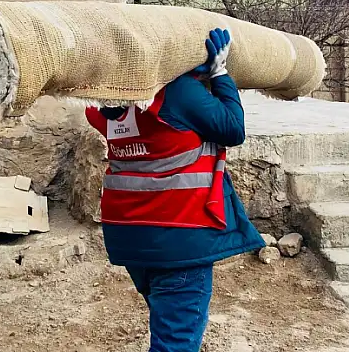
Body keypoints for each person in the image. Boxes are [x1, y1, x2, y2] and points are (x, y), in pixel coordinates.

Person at [85, 28, 265, 352]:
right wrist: (220, 74)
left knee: (168, 325)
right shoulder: (176, 92)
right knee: (175, 343)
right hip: (179, 242)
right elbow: (233, 128)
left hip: (131, 241)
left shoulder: (102, 105)